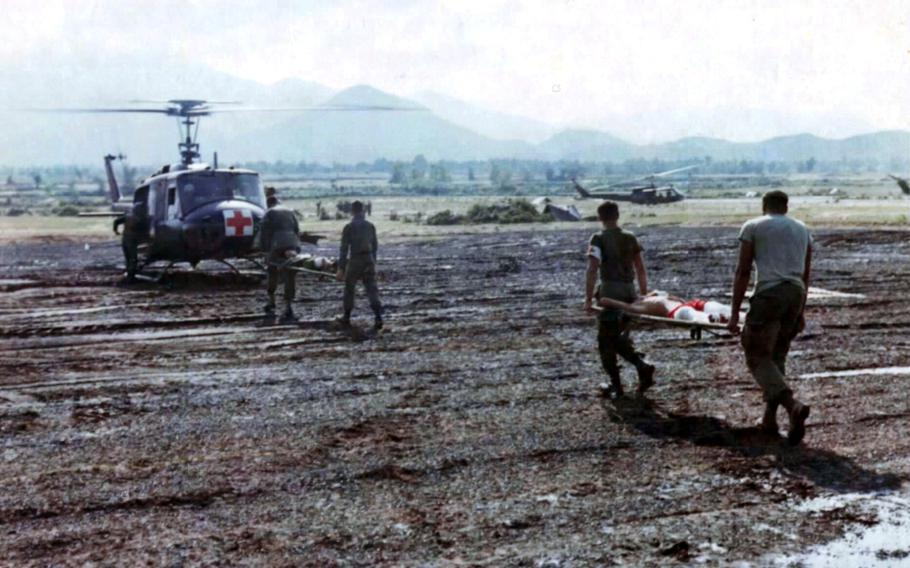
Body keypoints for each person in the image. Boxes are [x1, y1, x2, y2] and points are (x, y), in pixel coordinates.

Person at [728, 190, 812, 445]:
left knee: (755, 354)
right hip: (795, 293)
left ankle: (791, 405)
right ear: (786, 207)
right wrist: (801, 311)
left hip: (769, 294)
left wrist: (734, 314)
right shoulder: (802, 229)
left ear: (764, 206)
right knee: (776, 356)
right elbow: (806, 275)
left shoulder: (753, 226)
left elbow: (743, 270)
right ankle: (769, 420)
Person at [584, 201, 655, 397]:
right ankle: (639, 368)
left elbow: (592, 270)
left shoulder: (598, 238)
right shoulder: (630, 237)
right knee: (619, 337)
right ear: (618, 215)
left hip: (610, 293)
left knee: (605, 341)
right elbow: (640, 268)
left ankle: (622, 382)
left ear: (600, 217)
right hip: (629, 292)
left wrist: (588, 298)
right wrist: (643, 294)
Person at [336, 200, 383, 329]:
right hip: (368, 259)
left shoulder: (349, 227)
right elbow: (375, 247)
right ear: (363, 210)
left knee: (349, 288)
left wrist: (341, 268)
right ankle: (378, 317)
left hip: (355, 260)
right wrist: (373, 263)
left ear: (352, 211)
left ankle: (346, 316)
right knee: (372, 289)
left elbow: (344, 249)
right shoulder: (370, 226)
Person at [259, 195, 301, 321]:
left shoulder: (269, 213)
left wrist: (264, 250)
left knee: (272, 271)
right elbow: (297, 229)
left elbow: (264, 233)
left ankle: (271, 301)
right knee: (290, 273)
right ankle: (288, 306)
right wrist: (296, 246)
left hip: (276, 245)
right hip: (292, 244)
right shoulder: (290, 211)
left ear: (269, 204)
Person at [598, 291, 734, 324]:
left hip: (689, 303)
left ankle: (744, 316)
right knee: (692, 315)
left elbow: (675, 297)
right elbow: (616, 304)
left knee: (719, 307)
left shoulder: (646, 296)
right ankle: (713, 319)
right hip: (676, 311)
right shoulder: (634, 306)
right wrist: (602, 299)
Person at [113, 200, 148, 282]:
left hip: (125, 239)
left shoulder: (127, 217)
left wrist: (116, 231)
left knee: (128, 258)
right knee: (133, 258)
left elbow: (116, 221)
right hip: (132, 241)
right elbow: (143, 231)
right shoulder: (140, 220)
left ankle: (129, 273)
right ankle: (131, 277)